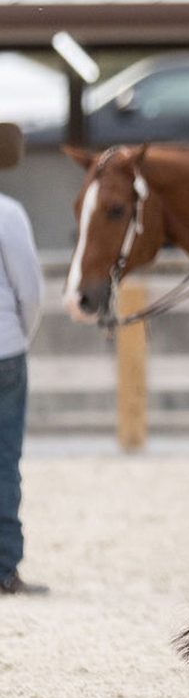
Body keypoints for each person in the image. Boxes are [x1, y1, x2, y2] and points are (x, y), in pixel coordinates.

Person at [0, 125, 45, 597]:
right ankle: (4, 567)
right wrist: (21, 337)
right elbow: (30, 290)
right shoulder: (8, 213)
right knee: (4, 458)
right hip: (4, 348)